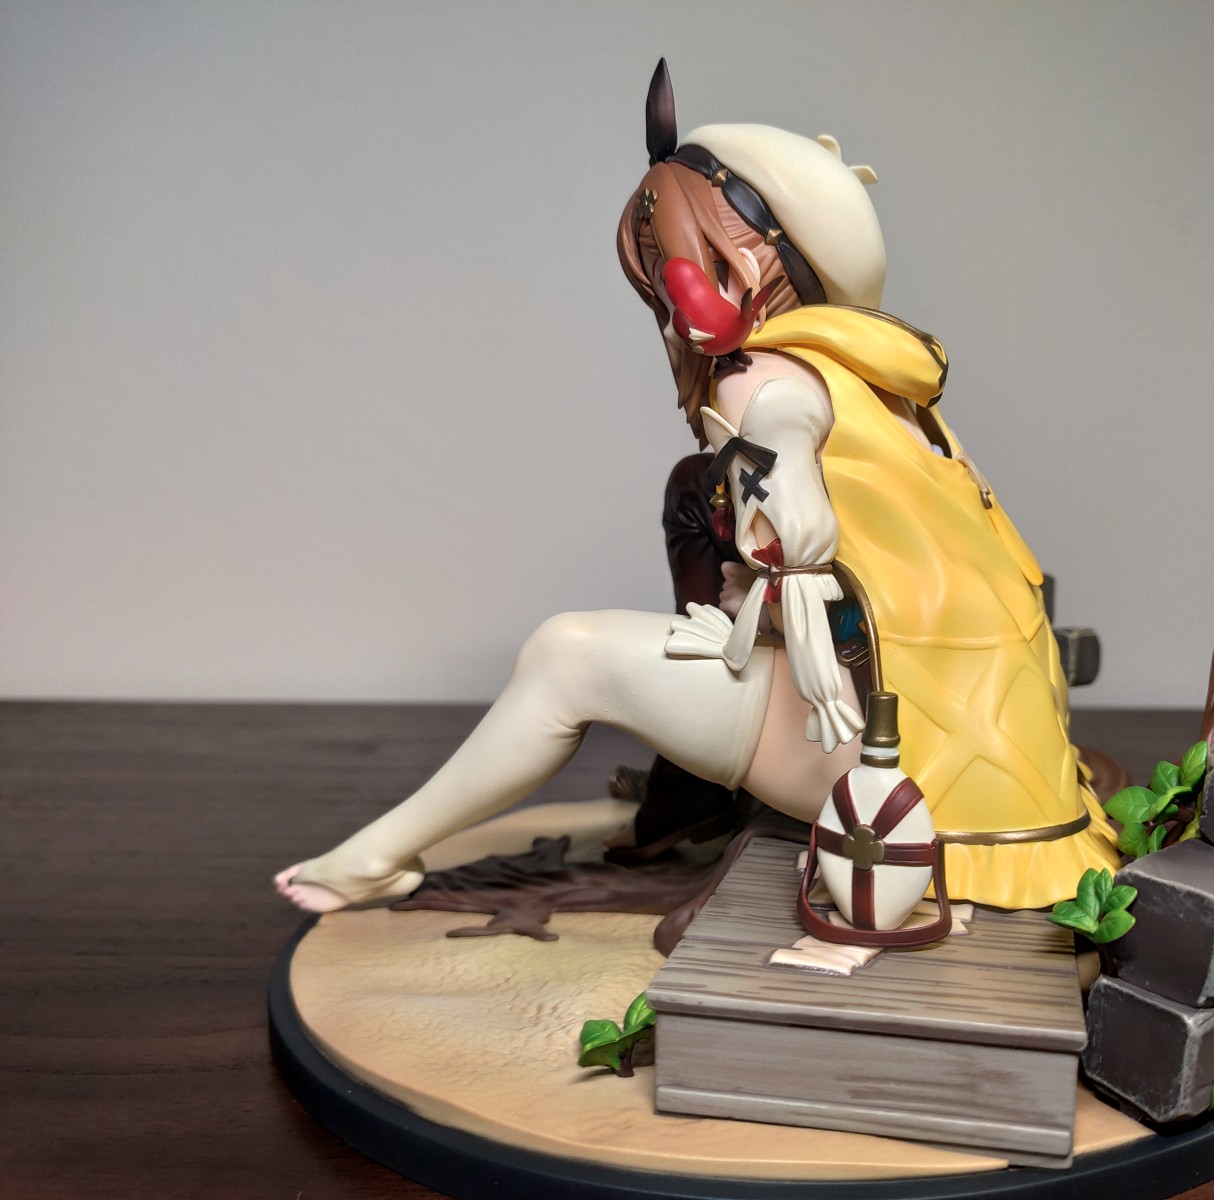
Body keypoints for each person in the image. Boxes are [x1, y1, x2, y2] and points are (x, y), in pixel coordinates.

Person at [276, 62, 1118, 916]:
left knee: (568, 655)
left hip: (897, 774)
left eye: (680, 259)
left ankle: (373, 858)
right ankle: (685, 799)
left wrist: (781, 519)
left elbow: (784, 428)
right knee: (694, 512)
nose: (673, 299)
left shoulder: (762, 375)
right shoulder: (888, 384)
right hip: (1019, 780)